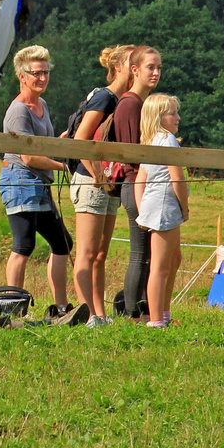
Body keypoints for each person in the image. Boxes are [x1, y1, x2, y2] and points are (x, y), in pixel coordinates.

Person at [0, 46, 75, 318]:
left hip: (39, 183)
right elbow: (29, 157)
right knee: (24, 245)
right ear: (21, 76)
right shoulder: (19, 111)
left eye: (46, 72)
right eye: (36, 73)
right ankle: (12, 310)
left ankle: (61, 308)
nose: (42, 78)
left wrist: (62, 142)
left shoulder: (42, 105)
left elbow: (41, 146)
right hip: (19, 179)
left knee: (62, 243)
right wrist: (62, 165)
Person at [68, 45, 133, 329]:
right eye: (134, 63)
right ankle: (86, 314)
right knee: (86, 252)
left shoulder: (120, 99)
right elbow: (81, 139)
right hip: (91, 179)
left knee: (100, 254)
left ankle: (99, 313)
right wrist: (97, 173)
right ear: (118, 67)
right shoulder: (105, 98)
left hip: (106, 183)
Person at [113, 47, 163, 320]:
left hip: (143, 186)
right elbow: (134, 154)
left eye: (158, 67)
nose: (155, 73)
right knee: (139, 254)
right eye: (150, 67)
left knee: (146, 255)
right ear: (135, 70)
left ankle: (143, 310)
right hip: (135, 185)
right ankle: (134, 313)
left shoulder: (143, 103)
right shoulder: (130, 103)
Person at [133, 94, 187, 328]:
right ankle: (157, 320)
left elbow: (140, 180)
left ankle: (163, 314)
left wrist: (141, 210)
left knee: (174, 260)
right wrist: (184, 208)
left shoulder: (153, 140)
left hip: (154, 206)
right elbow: (178, 179)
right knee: (161, 266)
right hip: (165, 206)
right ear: (159, 117)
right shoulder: (168, 140)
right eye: (172, 113)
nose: (178, 117)